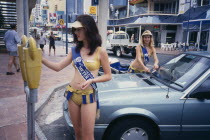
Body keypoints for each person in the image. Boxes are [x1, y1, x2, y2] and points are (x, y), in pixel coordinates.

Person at [42, 15, 112, 140]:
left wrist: (92, 80)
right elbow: (58, 67)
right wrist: (40, 59)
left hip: (89, 95)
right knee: (77, 132)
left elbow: (108, 75)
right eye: (75, 30)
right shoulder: (74, 50)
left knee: (88, 135)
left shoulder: (100, 51)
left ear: (88, 29)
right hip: (72, 94)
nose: (76, 32)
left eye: (79, 29)